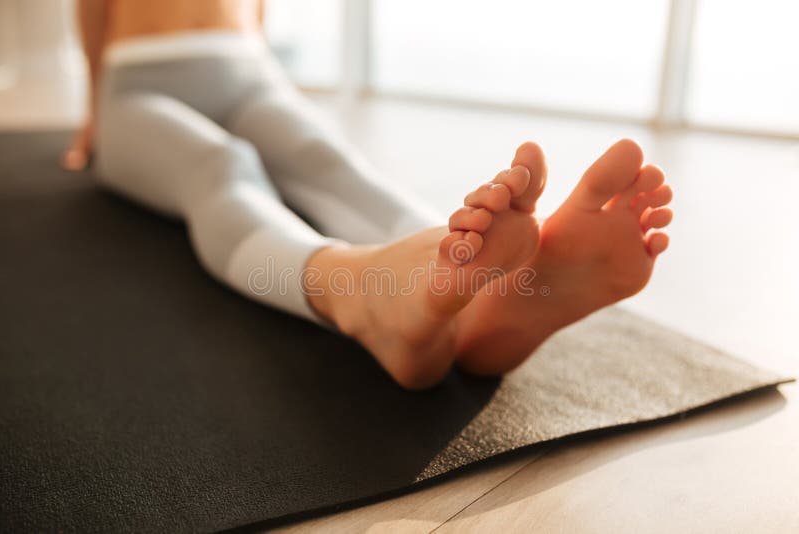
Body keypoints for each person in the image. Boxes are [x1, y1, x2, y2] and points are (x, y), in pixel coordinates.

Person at [62, 0, 673, 390]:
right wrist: (96, 106)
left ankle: (473, 291)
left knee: (327, 160)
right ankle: (357, 293)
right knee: (221, 167)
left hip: (248, 68)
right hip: (139, 85)